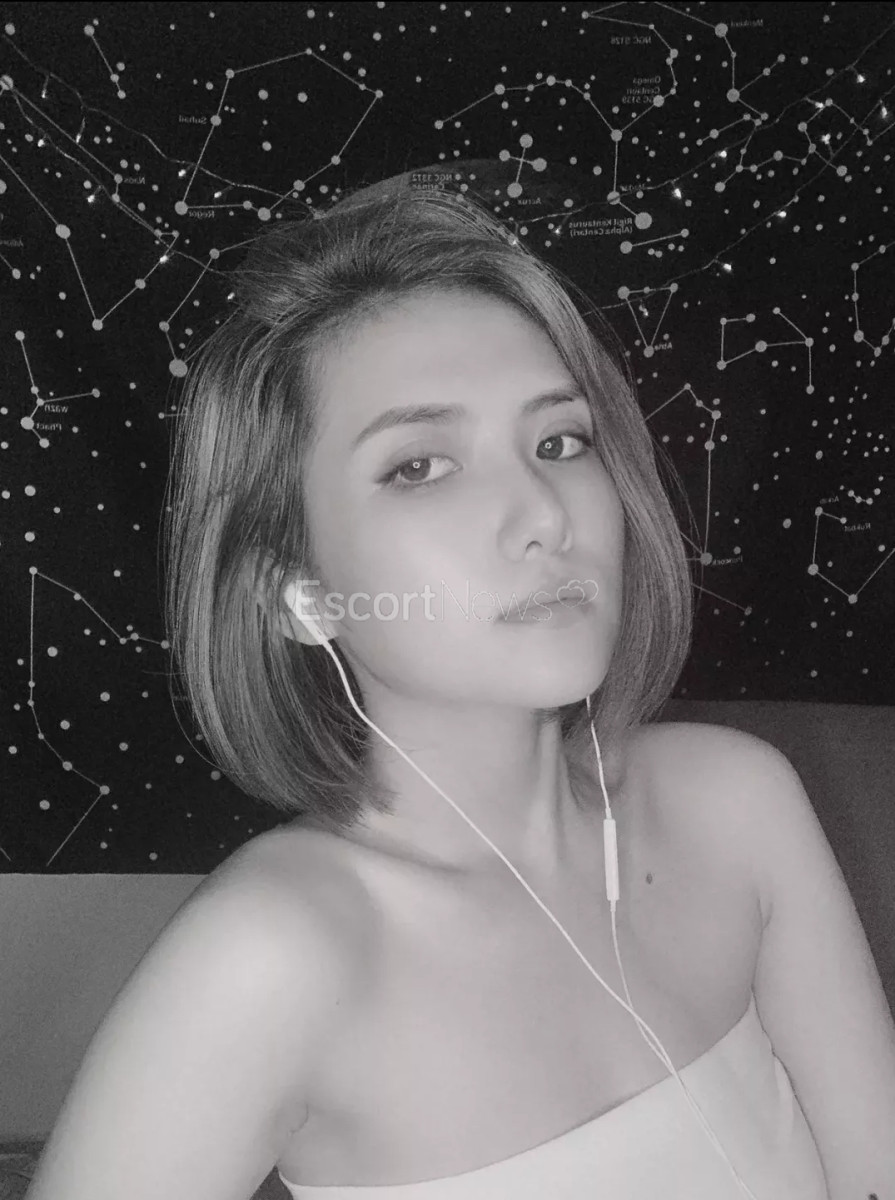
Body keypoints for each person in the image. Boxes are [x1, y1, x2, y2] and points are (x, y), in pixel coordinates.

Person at [25, 183, 894, 1200]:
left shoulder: (736, 803)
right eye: (420, 466)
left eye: (560, 441)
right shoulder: (277, 955)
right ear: (298, 592)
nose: (543, 513)